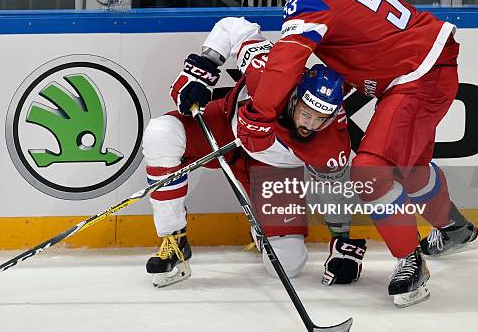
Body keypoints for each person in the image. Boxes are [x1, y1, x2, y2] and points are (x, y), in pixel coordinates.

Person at [239, 0, 478, 308]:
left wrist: (260, 114)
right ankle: (453, 228)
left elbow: (286, 60)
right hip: (429, 66)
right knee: (409, 167)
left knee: (370, 169)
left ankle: (410, 262)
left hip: (415, 76)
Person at [142, 16, 366, 288]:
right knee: (161, 134)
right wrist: (204, 67)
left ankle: (264, 228)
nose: (310, 124)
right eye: (306, 114)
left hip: (274, 171)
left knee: (287, 265)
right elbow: (232, 25)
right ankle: (173, 239)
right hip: (225, 129)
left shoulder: (331, 146)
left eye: (321, 119)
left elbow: (333, 191)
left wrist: (343, 243)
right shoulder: (269, 69)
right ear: (294, 97)